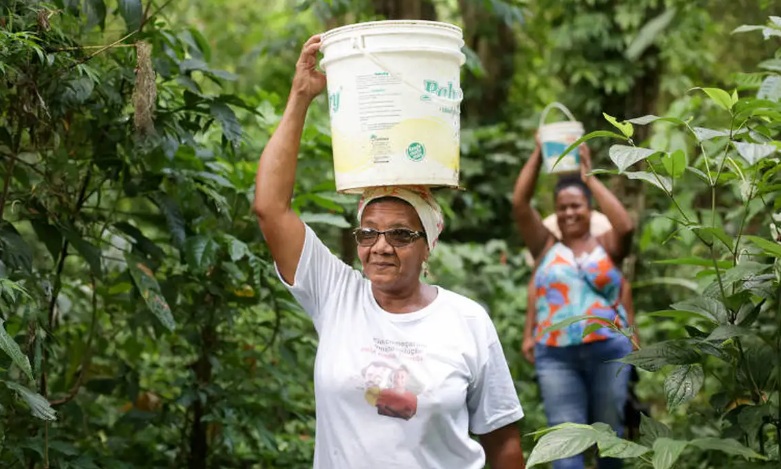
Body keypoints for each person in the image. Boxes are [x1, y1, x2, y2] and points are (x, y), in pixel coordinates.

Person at [253, 34, 526, 469]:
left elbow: (504, 442)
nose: (380, 247)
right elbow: (269, 208)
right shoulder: (337, 295)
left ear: (427, 245)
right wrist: (301, 95)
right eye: (368, 234)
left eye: (400, 235)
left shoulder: (467, 321)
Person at [512, 135, 635, 469]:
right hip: (556, 355)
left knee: (610, 442)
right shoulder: (546, 246)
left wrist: (589, 177)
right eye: (562, 206)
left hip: (608, 351)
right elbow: (520, 204)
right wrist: (538, 153)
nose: (569, 212)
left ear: (589, 209)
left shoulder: (606, 245)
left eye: (576, 205)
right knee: (564, 449)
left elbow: (625, 225)